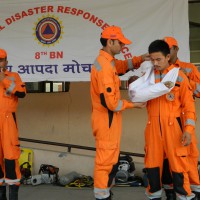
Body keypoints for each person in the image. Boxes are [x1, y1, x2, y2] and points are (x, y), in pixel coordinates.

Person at [90, 25, 147, 200]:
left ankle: (105, 191)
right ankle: (102, 195)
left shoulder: (108, 62)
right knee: (105, 163)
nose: (123, 46)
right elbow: (112, 103)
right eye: (120, 43)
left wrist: (139, 59)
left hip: (109, 120)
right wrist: (134, 105)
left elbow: (121, 67)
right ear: (110, 41)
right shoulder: (105, 67)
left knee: (111, 160)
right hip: (107, 120)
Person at [144, 40, 196, 200]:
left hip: (174, 129)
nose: (155, 63)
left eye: (158, 59)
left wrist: (188, 130)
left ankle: (185, 197)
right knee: (152, 168)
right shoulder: (148, 77)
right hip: (153, 129)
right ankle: (154, 196)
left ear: (168, 57)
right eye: (152, 59)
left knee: (179, 169)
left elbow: (189, 108)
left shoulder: (179, 77)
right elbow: (137, 96)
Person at [161, 36, 200, 199]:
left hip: (184, 123)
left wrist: (186, 79)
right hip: (164, 124)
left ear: (176, 49)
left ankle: (194, 190)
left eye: (169, 49)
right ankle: (169, 191)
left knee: (188, 158)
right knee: (165, 159)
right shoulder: (158, 71)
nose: (167, 53)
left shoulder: (188, 68)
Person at [0, 49, 26, 200]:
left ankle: (13, 196)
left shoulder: (14, 76)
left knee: (10, 157)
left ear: (6, 62)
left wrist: (4, 79)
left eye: (1, 60)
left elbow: (22, 93)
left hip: (8, 121)